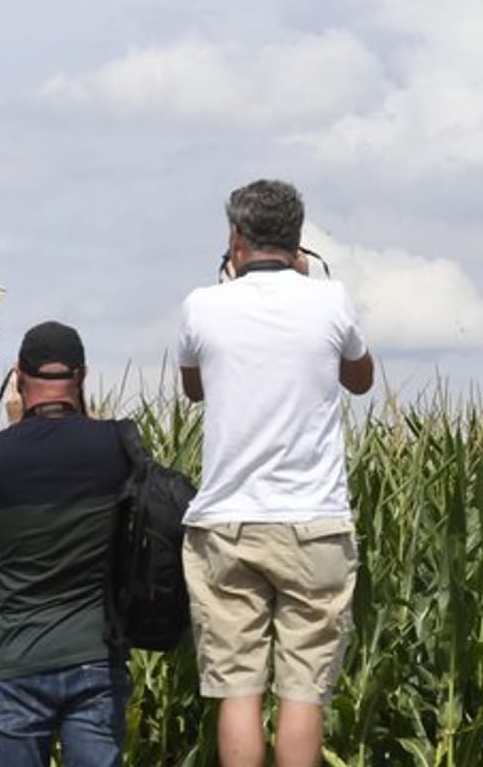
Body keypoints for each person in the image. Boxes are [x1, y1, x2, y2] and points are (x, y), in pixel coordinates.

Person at [177, 179, 374, 767]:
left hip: (227, 523)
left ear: (236, 238)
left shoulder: (201, 305)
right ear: (297, 242)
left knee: (237, 688)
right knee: (302, 691)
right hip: (313, 524)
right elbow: (360, 380)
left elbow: (194, 389)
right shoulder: (331, 300)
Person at [0, 321, 132, 766]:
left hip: (20, 659)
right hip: (96, 657)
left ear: (17, 377)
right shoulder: (116, 444)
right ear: (82, 377)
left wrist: (17, 428)